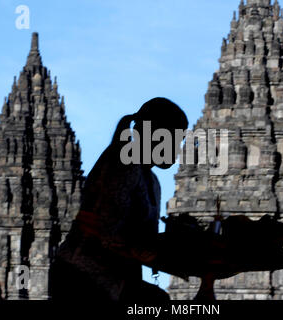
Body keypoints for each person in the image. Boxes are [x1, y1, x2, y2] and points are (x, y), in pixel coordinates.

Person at [49, 98, 188, 302]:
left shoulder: (152, 181)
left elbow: (141, 239)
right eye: (175, 140)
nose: (178, 149)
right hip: (82, 276)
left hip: (116, 279)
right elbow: (105, 231)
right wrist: (153, 254)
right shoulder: (124, 160)